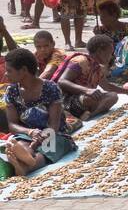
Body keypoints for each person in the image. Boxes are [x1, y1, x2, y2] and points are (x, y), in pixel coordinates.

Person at [3, 47, 76, 176]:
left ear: (24, 70)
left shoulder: (50, 88)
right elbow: (12, 125)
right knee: (19, 144)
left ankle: (26, 166)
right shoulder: (11, 91)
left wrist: (36, 143)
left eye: (9, 71)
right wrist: (30, 132)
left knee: (49, 149)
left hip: (54, 134)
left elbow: (54, 125)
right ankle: (26, 160)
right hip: (28, 134)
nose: (5, 74)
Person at [50, 33, 128, 119]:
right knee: (89, 98)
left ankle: (90, 115)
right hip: (66, 100)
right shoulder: (80, 61)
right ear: (100, 51)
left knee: (113, 96)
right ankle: (74, 113)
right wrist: (87, 90)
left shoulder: (98, 68)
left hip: (82, 100)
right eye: (110, 53)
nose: (111, 56)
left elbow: (107, 86)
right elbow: (62, 81)